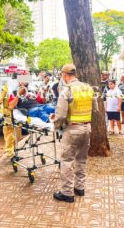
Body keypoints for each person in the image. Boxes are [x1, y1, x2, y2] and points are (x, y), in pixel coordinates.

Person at [51, 64, 94, 203]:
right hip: (87, 128)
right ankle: (79, 188)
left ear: (64, 75)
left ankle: (67, 193)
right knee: (81, 159)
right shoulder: (88, 88)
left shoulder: (66, 90)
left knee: (67, 161)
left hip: (73, 129)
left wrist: (56, 125)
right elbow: (96, 109)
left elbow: (61, 115)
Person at [0, 74, 21, 158]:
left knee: (18, 134)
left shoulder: (19, 88)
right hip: (7, 113)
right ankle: (10, 153)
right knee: (9, 133)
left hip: (18, 113)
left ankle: (14, 150)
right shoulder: (6, 87)